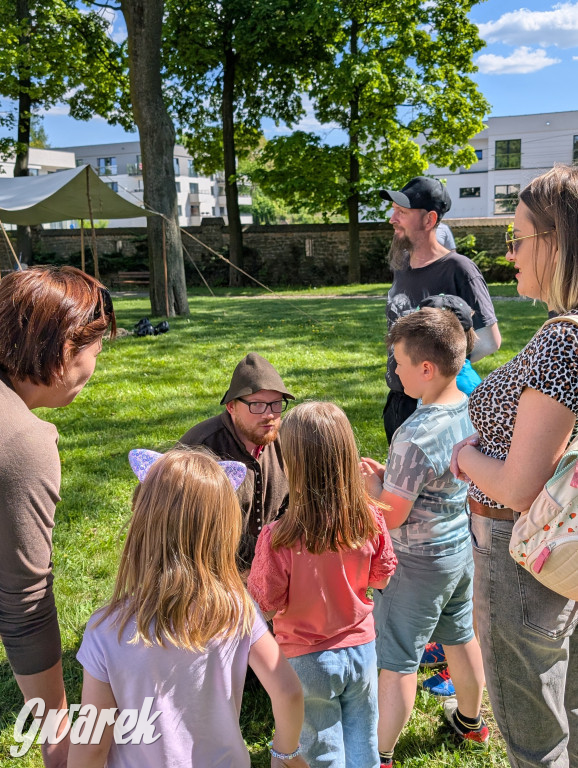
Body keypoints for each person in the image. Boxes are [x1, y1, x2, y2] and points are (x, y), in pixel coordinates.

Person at [450, 164, 578, 768]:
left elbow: (521, 485)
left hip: (521, 551)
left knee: (532, 729)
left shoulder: (564, 340)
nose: (510, 252)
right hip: (558, 552)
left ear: (557, 240)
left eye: (519, 236)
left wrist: (464, 455)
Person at [69, 448, 308, 768]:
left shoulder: (105, 629)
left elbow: (91, 746)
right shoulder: (239, 610)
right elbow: (289, 692)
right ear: (223, 533)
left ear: (142, 527)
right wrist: (284, 754)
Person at [360, 307, 488, 767]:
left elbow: (392, 515)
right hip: (459, 550)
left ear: (426, 368)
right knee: (460, 638)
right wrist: (389, 478)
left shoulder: (413, 433)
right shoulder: (469, 406)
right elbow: (431, 482)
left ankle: (379, 753)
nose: (393, 369)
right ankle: (471, 724)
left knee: (397, 661)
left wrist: (371, 488)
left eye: (398, 361)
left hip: (415, 563)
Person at [0, 266, 116, 768]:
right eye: (97, 351)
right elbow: (23, 605)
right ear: (67, 348)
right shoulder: (22, 440)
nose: (96, 366)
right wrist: (57, 734)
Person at [248, 402, 398, 768]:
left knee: (321, 750)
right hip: (361, 649)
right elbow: (382, 575)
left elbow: (263, 602)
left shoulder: (278, 537)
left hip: (305, 659)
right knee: (364, 737)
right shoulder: (371, 519)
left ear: (292, 464)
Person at [380, 176, 501, 444]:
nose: (392, 219)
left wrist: (440, 375)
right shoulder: (402, 265)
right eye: (394, 210)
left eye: (402, 212)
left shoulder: (459, 269)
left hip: (437, 410)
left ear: (429, 220)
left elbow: (491, 341)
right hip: (399, 403)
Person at [179, 353, 294, 571]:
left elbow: (290, 505)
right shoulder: (201, 447)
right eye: (257, 405)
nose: (269, 414)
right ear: (231, 407)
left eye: (276, 404)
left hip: (269, 573)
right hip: (210, 575)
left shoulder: (283, 442)